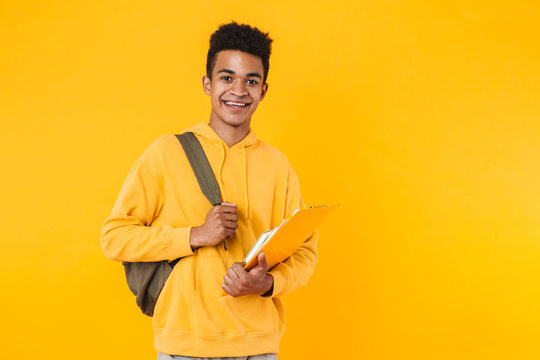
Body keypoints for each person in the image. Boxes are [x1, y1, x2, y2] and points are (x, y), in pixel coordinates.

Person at [101, 22, 318, 360]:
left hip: (258, 347)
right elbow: (114, 237)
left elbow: (305, 252)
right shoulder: (165, 154)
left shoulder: (278, 166)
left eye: (251, 81)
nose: (239, 90)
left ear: (263, 91)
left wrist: (268, 285)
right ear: (208, 83)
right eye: (227, 77)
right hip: (183, 347)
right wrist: (193, 235)